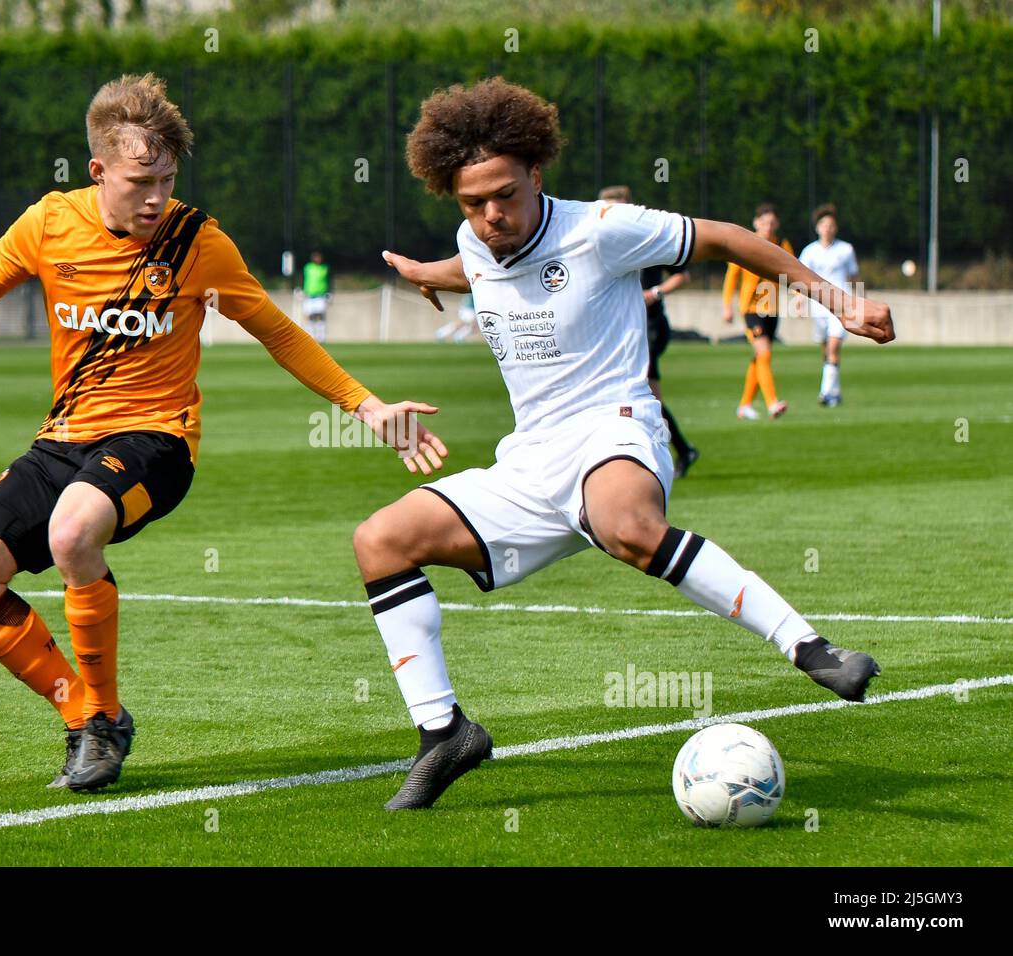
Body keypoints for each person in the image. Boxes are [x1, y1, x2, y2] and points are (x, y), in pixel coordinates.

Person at [0, 73, 448, 793]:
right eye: (139, 180)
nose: (156, 196)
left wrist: (364, 405)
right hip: (62, 441)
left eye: (166, 178)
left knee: (72, 533)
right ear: (98, 171)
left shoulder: (197, 243)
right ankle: (88, 717)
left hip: (158, 442)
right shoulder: (48, 224)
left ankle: (98, 724)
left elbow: (279, 333)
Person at [369, 78, 894, 810]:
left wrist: (838, 301)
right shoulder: (475, 239)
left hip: (615, 427)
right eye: (472, 203)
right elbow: (479, 266)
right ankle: (444, 733)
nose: (491, 215)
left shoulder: (602, 227)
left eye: (505, 195)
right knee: (380, 541)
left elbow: (724, 238)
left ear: (536, 175)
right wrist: (431, 273)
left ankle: (810, 648)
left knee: (628, 529)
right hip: (529, 459)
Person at [598, 185, 698, 477]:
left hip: (650, 326)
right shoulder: (599, 243)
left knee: (644, 394)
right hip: (623, 328)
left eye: (612, 209)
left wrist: (654, 292)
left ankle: (659, 454)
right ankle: (677, 449)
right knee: (644, 396)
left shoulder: (646, 239)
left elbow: (683, 275)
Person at [722, 203, 793, 420]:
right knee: (764, 353)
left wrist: (799, 296)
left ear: (777, 224)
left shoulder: (782, 244)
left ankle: (744, 405)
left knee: (759, 358)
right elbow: (731, 277)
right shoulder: (745, 241)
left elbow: (793, 270)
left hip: (772, 309)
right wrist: (727, 305)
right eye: (764, 222)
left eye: (772, 223)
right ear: (756, 223)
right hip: (751, 310)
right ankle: (772, 403)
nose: (768, 227)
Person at [796, 204, 860, 406]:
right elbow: (799, 278)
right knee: (827, 351)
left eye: (831, 225)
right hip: (819, 307)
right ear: (817, 227)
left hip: (841, 306)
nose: (827, 228)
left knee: (833, 347)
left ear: (836, 227)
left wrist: (859, 302)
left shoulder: (845, 249)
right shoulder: (810, 251)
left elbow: (854, 277)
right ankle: (835, 393)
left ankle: (825, 393)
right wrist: (799, 300)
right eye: (823, 224)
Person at [301, 250, 330, 342]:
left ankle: (321, 337)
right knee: (310, 316)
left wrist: (330, 293)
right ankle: (310, 337)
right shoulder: (308, 268)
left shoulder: (324, 268)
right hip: (309, 296)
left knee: (320, 316)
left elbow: (329, 281)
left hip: (320, 295)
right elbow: (303, 279)